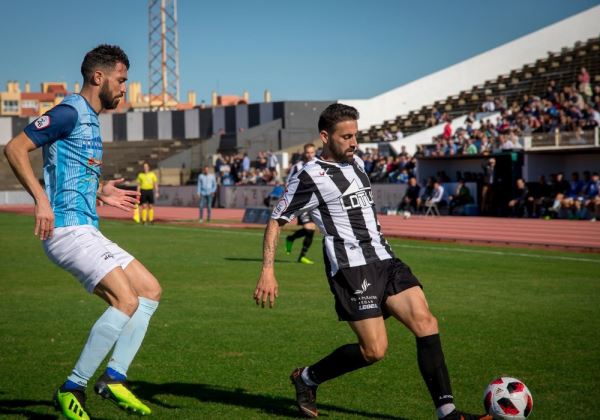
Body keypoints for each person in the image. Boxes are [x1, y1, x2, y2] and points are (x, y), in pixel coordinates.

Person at [253, 103, 491, 420]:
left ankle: (447, 412)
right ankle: (307, 378)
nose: (354, 142)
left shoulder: (358, 163)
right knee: (374, 351)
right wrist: (268, 271)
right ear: (325, 136)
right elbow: (276, 220)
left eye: (356, 135)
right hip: (352, 270)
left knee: (426, 322)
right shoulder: (309, 177)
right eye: (346, 136)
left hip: (386, 258)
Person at [3, 44, 160, 419]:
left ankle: (115, 377)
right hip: (67, 231)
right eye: (122, 80)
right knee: (126, 300)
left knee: (150, 290)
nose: (125, 88)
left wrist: (100, 190)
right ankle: (72, 387)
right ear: (98, 77)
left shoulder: (90, 118)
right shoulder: (70, 111)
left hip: (86, 228)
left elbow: (72, 169)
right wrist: (41, 199)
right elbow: (14, 148)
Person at [284, 143, 318, 265]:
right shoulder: (298, 166)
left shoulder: (318, 164)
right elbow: (288, 183)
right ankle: (301, 256)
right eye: (307, 152)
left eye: (312, 152)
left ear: (315, 152)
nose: (310, 155)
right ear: (304, 153)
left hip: (315, 202)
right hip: (302, 202)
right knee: (309, 228)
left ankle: (291, 238)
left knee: (311, 230)